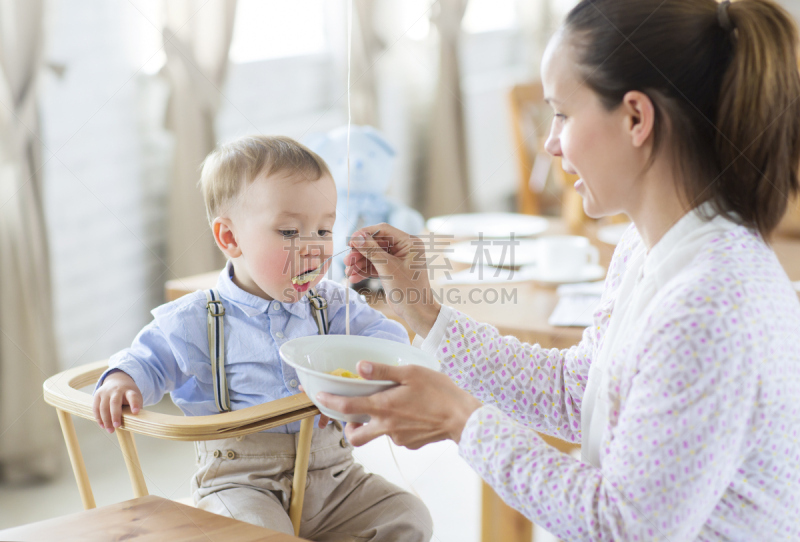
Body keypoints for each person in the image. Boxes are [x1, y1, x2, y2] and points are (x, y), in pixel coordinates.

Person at [317, 0, 800, 540]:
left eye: (563, 113)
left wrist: (461, 419)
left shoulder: (709, 306)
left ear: (637, 117)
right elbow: (580, 394)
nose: (549, 142)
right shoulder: (648, 250)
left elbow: (623, 526)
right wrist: (425, 314)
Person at [92, 135, 433, 541]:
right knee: (261, 534)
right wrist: (121, 380)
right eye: (289, 232)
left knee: (409, 516)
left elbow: (388, 343)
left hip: (335, 478)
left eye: (324, 230)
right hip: (240, 484)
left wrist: (364, 380)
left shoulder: (334, 304)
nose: (313, 249)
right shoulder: (197, 317)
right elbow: (147, 359)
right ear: (230, 238)